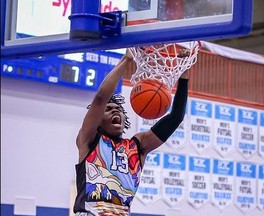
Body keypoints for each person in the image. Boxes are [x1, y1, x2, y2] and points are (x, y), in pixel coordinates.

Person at [73, 48, 190, 216]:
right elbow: (100, 98)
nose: (115, 111)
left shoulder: (137, 146)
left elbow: (176, 117)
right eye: (108, 110)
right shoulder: (89, 139)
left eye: (118, 109)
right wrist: (126, 60)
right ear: (98, 119)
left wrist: (184, 72)